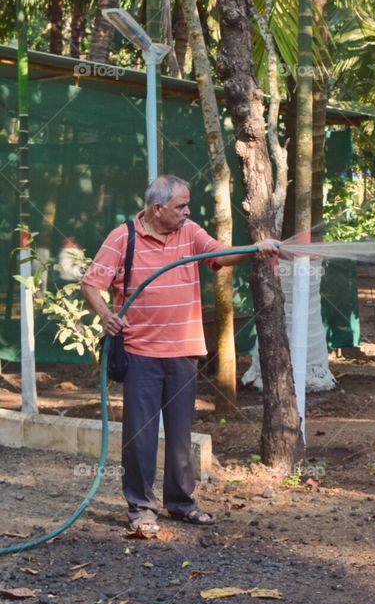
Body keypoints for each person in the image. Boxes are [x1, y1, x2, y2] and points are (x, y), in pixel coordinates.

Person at [81, 175, 279, 533]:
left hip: (184, 352)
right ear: (158, 209)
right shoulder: (123, 237)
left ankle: (182, 504)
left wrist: (256, 249)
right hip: (140, 352)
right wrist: (106, 315)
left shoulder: (189, 233)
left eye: (188, 205)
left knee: (180, 432)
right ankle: (141, 508)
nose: (188, 212)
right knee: (140, 434)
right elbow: (92, 282)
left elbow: (221, 254)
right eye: (181, 206)